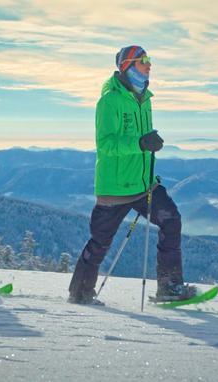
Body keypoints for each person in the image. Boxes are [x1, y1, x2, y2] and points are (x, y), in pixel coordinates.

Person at [68, 45, 197, 305]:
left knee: (171, 221)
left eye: (149, 60)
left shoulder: (145, 99)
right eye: (143, 61)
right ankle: (80, 293)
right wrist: (139, 143)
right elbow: (106, 145)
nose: (149, 65)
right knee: (100, 242)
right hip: (114, 189)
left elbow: (141, 143)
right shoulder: (109, 101)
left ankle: (169, 288)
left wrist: (146, 147)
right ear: (127, 65)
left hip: (143, 184)